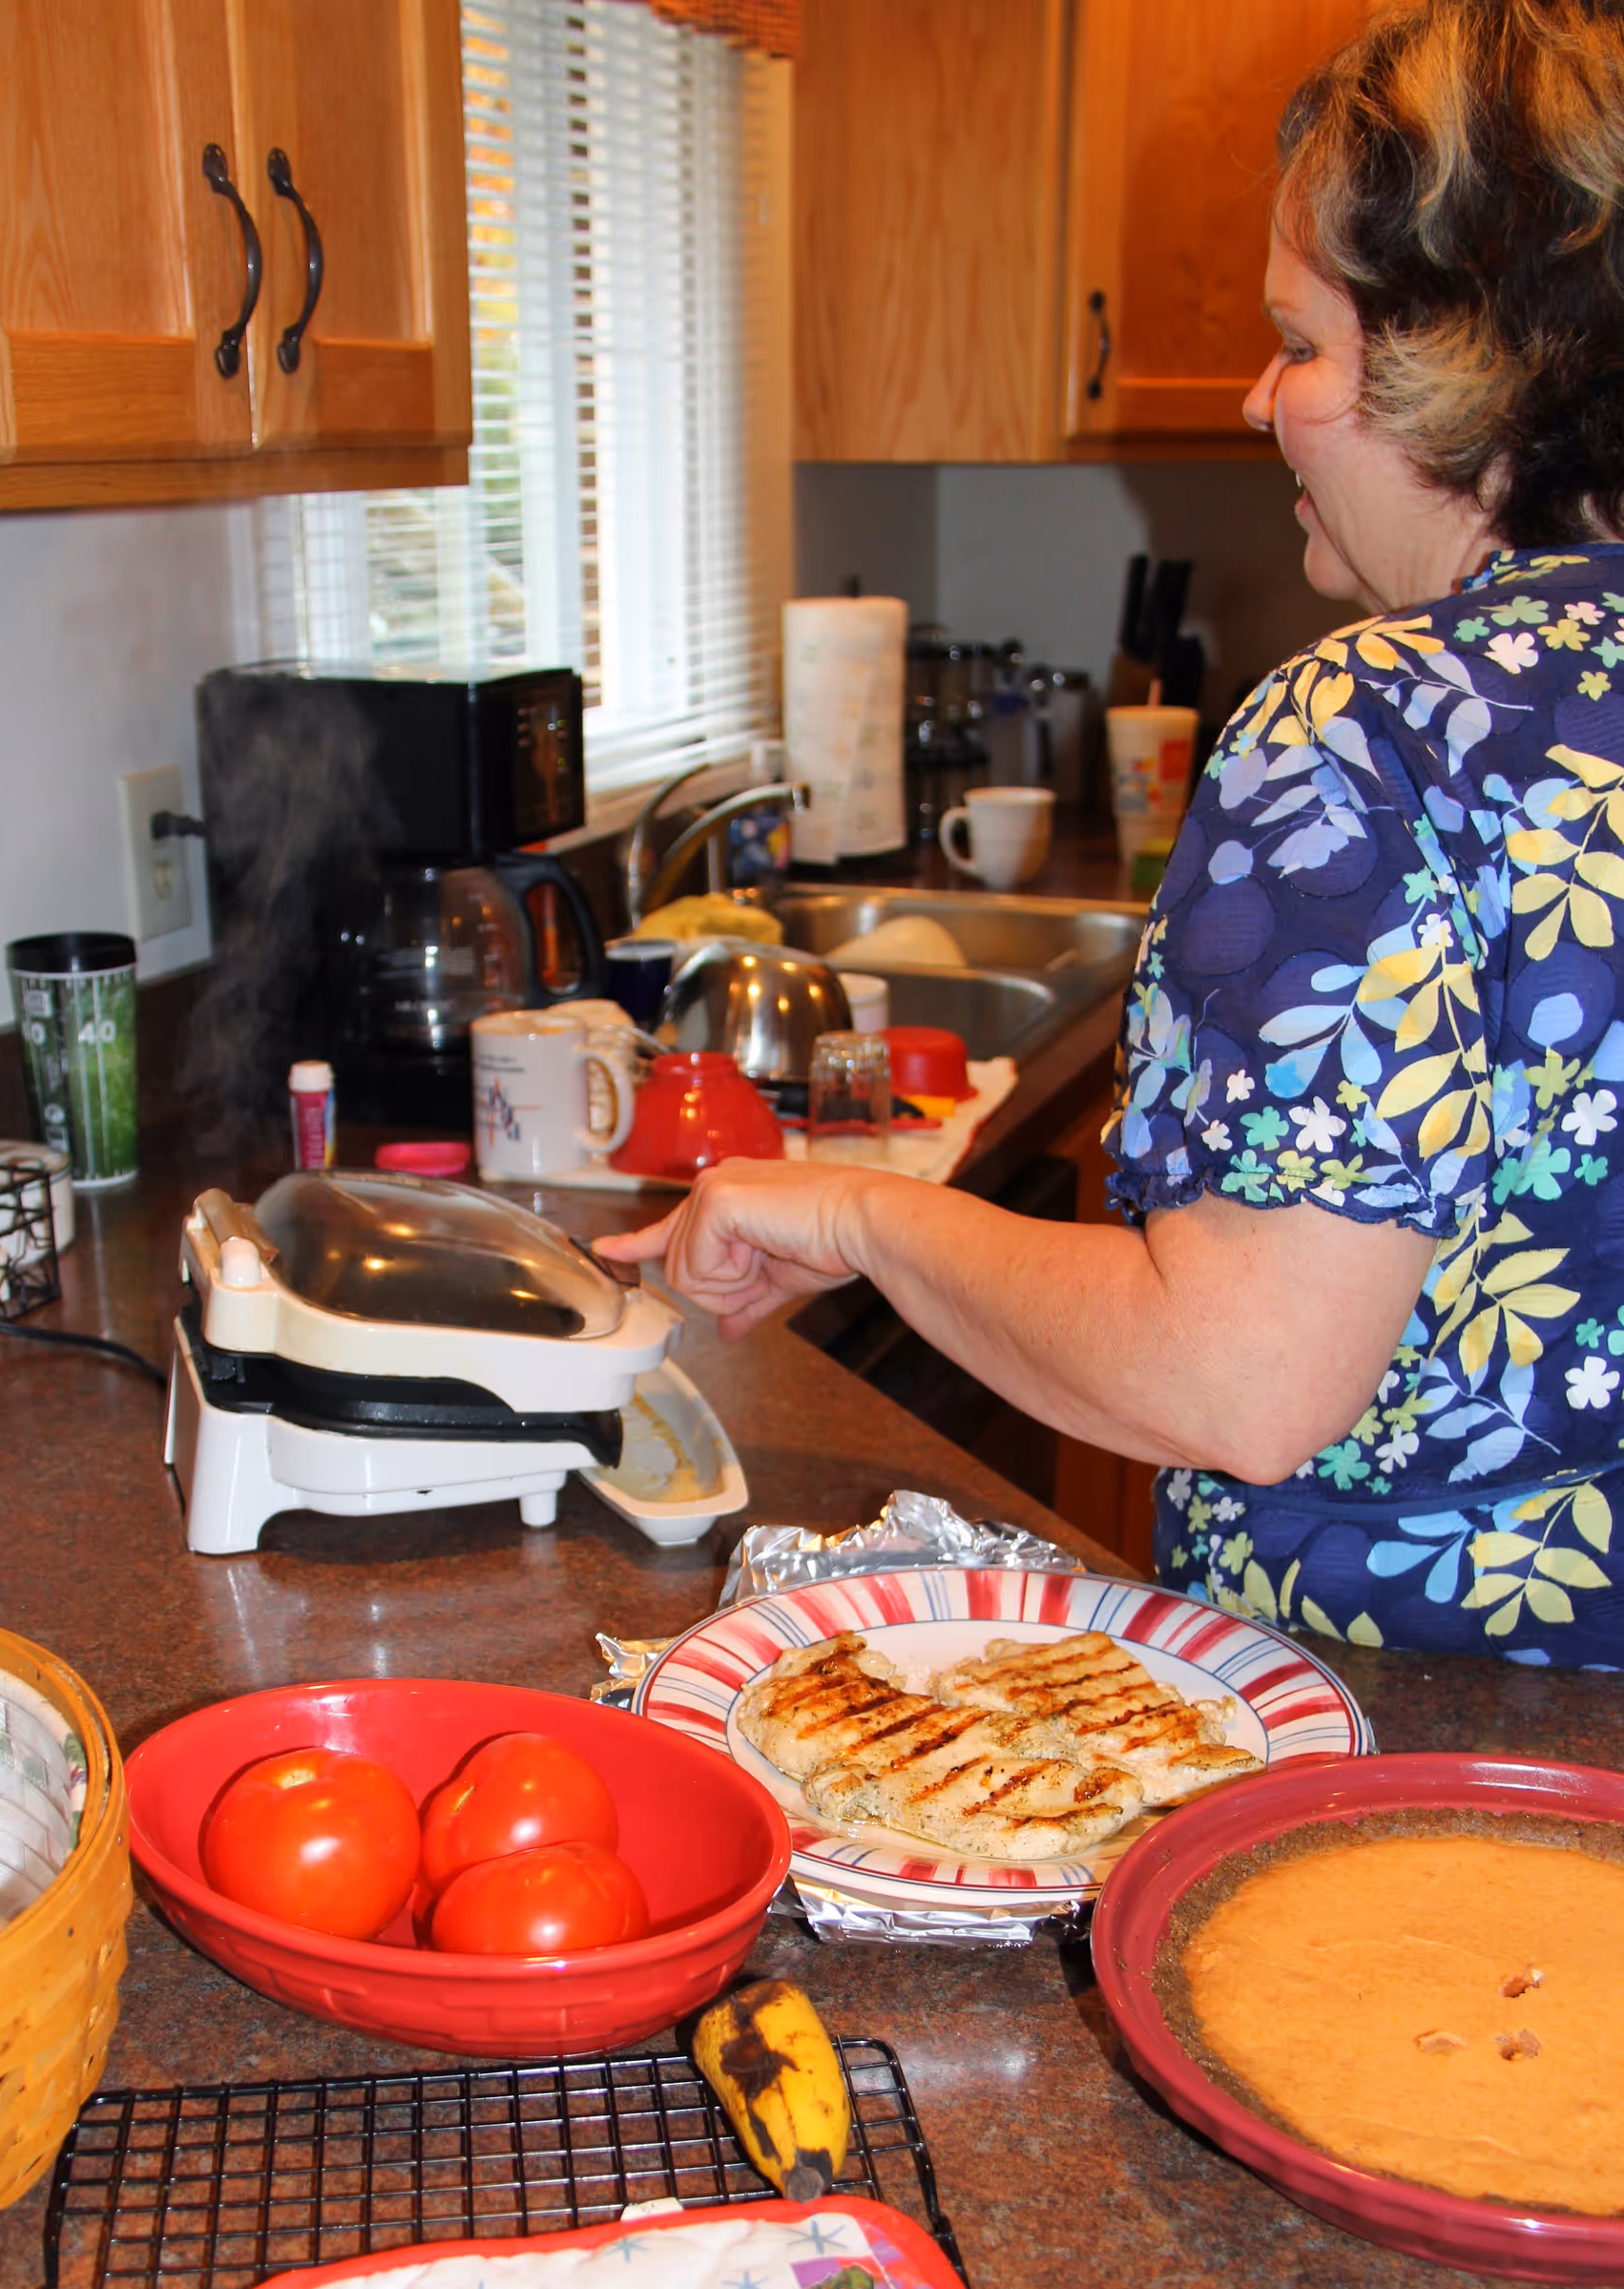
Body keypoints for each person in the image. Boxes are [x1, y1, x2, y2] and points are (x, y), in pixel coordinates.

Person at [599, 0, 1624, 1667]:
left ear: (1457, 362)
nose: (1254, 399)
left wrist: (853, 1216)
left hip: (1413, 1736)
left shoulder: (1365, 734)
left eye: (1302, 345)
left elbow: (1240, 1380)